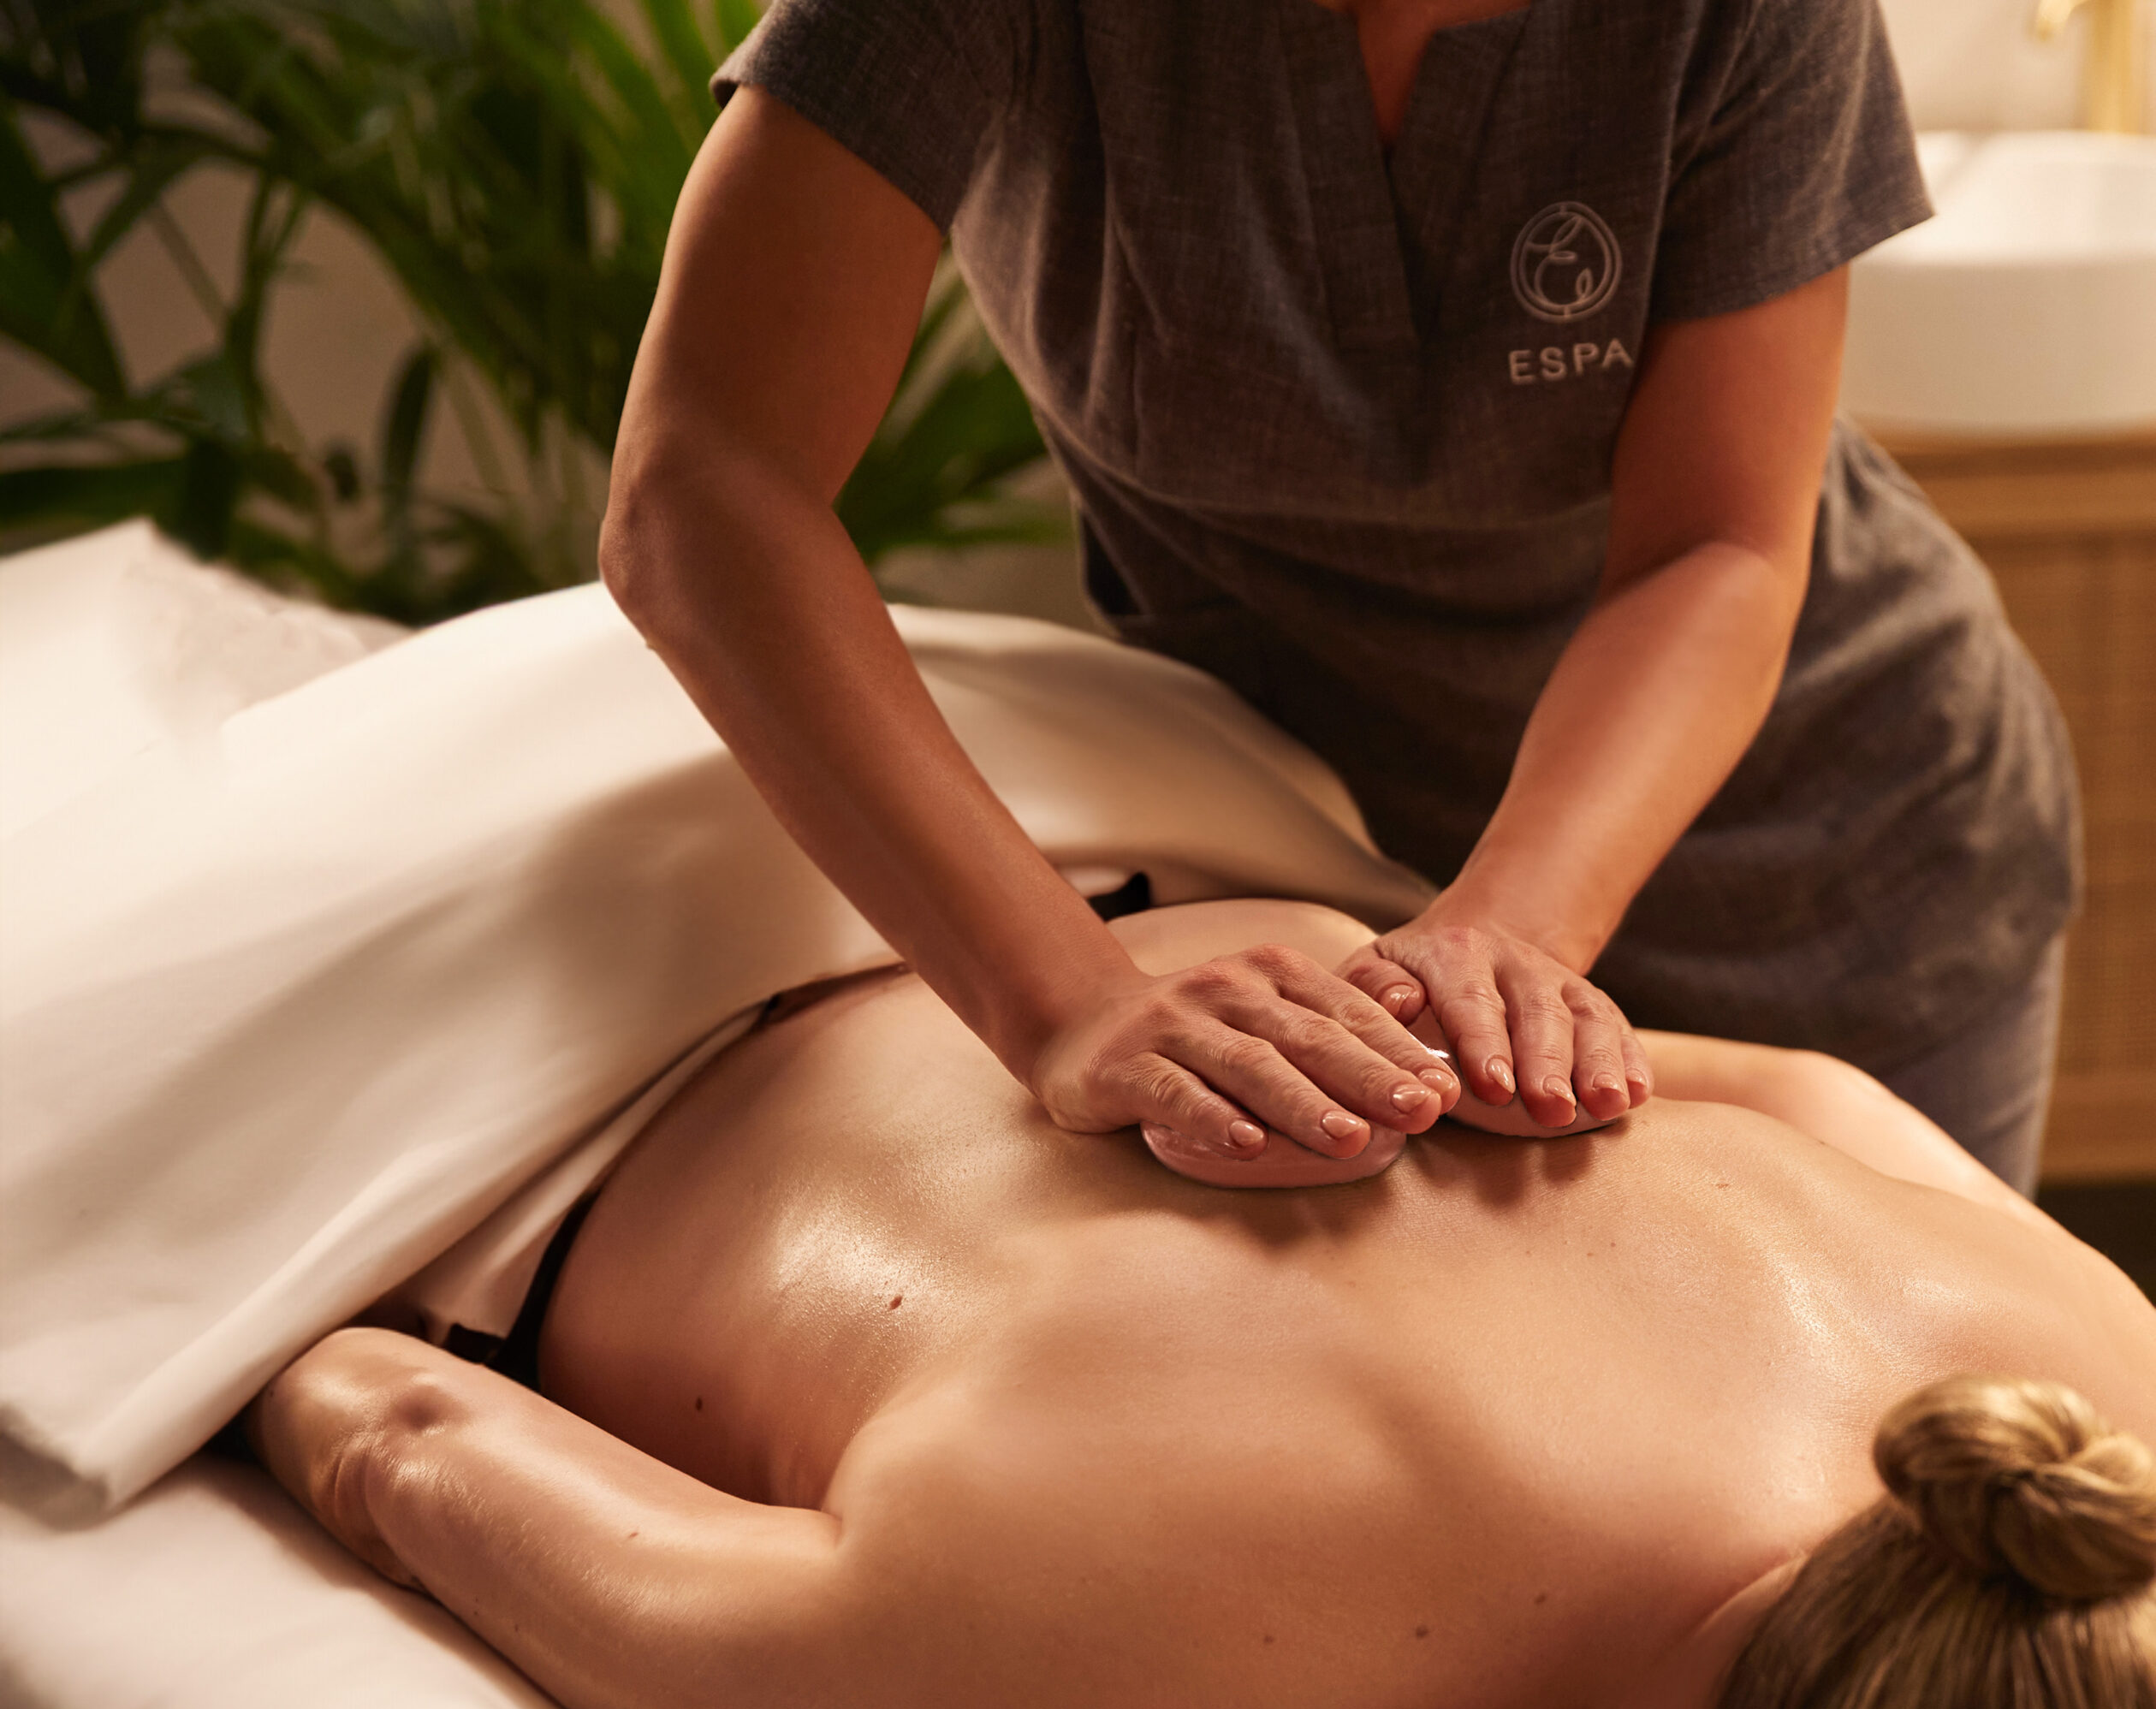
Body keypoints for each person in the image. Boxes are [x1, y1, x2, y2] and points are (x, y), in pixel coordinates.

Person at [251, 898, 2156, 1709]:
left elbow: (1802, 1089)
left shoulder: (2092, 1383)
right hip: (574, 1013)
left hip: (1145, 813)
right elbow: (399, 1427)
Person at [597, 0, 2076, 1193]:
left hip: (1860, 851)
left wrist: (1515, 930)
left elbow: (1719, 548)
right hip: (1328, 886)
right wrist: (1066, 1002)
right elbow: (706, 490)